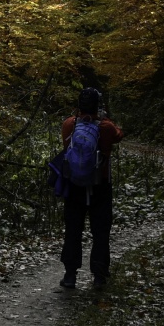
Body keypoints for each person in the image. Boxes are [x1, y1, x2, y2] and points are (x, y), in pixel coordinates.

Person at [59, 87, 124, 289]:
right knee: (101, 230)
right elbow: (119, 135)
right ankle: (99, 276)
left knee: (73, 229)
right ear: (98, 105)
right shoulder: (105, 126)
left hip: (74, 184)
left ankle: (70, 275)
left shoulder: (69, 124)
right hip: (100, 184)